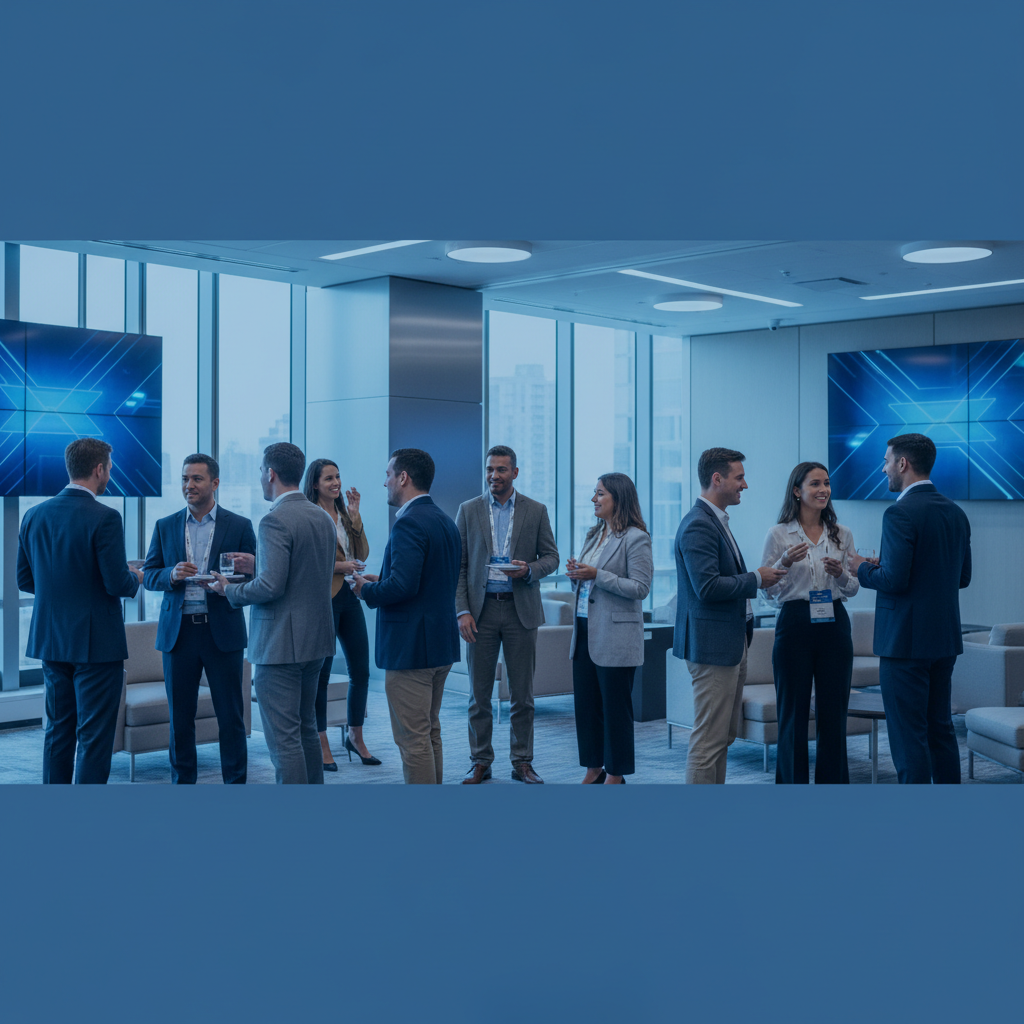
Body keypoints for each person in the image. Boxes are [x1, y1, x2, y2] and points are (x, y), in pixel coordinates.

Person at [207, 442, 336, 785]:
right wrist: (259, 563)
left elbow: (270, 588)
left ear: (270, 473)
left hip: (280, 646)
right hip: (317, 641)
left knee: (284, 741)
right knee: (306, 727)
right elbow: (304, 572)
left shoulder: (274, 520)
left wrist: (227, 589)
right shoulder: (321, 516)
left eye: (261, 473)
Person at [17, 437, 142, 783]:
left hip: (51, 641)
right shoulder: (105, 517)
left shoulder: (33, 515)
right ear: (99, 469)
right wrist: (136, 576)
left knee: (58, 732)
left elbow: (25, 579)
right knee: (93, 738)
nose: (110, 475)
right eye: (110, 469)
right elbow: (117, 585)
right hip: (96, 645)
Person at [849, 433, 971, 784]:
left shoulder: (899, 513)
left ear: (903, 464)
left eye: (886, 461)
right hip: (944, 641)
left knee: (908, 738)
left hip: (904, 644)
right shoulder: (956, 513)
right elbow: (962, 577)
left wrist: (859, 565)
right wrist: (887, 567)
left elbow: (895, 581)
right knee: (940, 730)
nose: (883, 468)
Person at [673, 448, 788, 784]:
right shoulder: (699, 525)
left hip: (729, 644)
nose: (745, 485)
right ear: (717, 479)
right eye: (739, 478)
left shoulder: (716, 521)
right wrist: (756, 578)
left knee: (723, 737)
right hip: (713, 648)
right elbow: (707, 587)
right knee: (709, 739)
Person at [143, 453, 257, 784]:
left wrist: (228, 586)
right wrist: (171, 574)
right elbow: (149, 575)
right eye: (184, 479)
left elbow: (253, 580)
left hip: (222, 631)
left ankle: (235, 787)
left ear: (215, 483)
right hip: (178, 636)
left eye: (196, 479)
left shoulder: (240, 526)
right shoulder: (165, 526)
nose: (188, 486)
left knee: (231, 717)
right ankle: (184, 788)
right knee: (180, 719)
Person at [350, 449, 461, 785]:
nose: (384, 482)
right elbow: (426, 581)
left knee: (412, 740)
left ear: (403, 478)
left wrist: (365, 591)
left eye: (388, 474)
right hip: (439, 645)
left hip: (412, 650)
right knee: (429, 733)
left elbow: (403, 587)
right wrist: (380, 581)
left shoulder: (409, 523)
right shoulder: (443, 519)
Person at [456, 445, 559, 784]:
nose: (493, 476)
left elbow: (552, 558)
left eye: (501, 470)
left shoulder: (536, 510)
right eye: (489, 469)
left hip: (520, 612)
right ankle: (480, 761)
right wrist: (462, 611)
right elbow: (459, 567)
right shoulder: (468, 510)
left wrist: (529, 569)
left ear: (515, 472)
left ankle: (522, 762)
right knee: (478, 696)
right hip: (481, 613)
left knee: (522, 696)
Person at [760, 462, 859, 784]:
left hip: (834, 621)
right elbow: (767, 594)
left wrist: (840, 573)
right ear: (797, 491)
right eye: (815, 484)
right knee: (793, 713)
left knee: (834, 713)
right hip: (795, 623)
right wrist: (784, 563)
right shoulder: (778, 534)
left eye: (827, 484)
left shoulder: (842, 534)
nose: (823, 490)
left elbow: (853, 588)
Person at [566, 474, 653, 784]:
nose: (594, 499)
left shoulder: (636, 537)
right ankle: (593, 769)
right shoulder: (594, 534)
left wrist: (596, 574)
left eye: (600, 494)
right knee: (587, 708)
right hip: (584, 630)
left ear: (618, 498)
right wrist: (577, 575)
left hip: (615, 635)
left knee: (615, 710)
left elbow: (641, 587)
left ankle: (615, 775)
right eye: (594, 493)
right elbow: (590, 582)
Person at [303, 458, 378, 769]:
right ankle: (321, 742)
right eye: (328, 478)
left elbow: (362, 554)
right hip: (324, 599)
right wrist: (340, 567)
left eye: (337, 477)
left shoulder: (345, 515)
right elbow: (306, 563)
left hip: (350, 595)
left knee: (361, 671)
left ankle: (356, 737)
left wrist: (356, 518)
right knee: (321, 675)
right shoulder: (310, 516)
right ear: (315, 484)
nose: (335, 483)